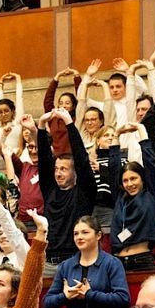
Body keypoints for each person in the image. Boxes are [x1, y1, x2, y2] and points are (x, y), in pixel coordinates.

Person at [42, 215, 130, 308]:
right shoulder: (65, 266)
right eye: (76, 234)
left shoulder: (112, 263)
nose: (79, 237)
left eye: (85, 232)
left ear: (98, 235)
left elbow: (123, 298)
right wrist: (65, 296)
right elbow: (46, 304)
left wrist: (89, 294)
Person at [37, 108, 96, 276]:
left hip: (75, 260)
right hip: (48, 262)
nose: (58, 173)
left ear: (74, 173)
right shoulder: (50, 191)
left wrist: (69, 124)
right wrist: (41, 126)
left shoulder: (84, 192)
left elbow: (82, 160)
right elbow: (43, 161)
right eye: (56, 169)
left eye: (63, 169)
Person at [108, 123, 155, 272]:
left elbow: (150, 162)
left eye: (134, 178)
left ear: (143, 179)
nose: (129, 184)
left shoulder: (151, 194)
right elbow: (114, 168)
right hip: (117, 263)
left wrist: (141, 130)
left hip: (142, 261)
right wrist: (116, 134)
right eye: (125, 180)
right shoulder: (120, 198)